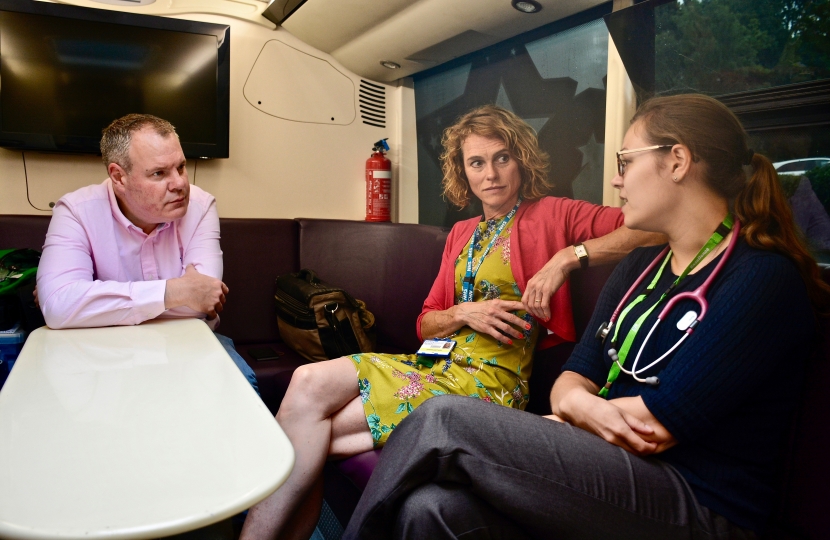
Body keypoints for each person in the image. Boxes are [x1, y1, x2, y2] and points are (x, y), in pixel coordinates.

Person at [340, 94, 830, 540]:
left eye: (625, 161)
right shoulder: (641, 268)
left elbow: (656, 428)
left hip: (698, 501)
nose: (616, 178)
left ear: (677, 161)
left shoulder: (762, 278)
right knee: (430, 509)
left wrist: (574, 413)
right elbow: (573, 378)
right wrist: (573, 407)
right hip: (612, 461)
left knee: (443, 419)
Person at [240, 105, 661, 540]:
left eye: (502, 158)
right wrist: (464, 312)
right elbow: (425, 323)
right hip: (435, 365)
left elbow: (652, 227)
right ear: (464, 172)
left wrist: (568, 258)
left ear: (520, 160)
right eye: (477, 163)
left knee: (309, 434)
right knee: (308, 389)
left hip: (489, 382)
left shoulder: (553, 214)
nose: (491, 174)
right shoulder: (461, 233)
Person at [36, 113, 258, 392]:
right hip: (104, 350)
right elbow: (58, 307)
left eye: (181, 167)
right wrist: (173, 292)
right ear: (119, 177)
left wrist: (92, 303)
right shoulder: (76, 211)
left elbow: (200, 305)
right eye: (159, 173)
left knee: (240, 389)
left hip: (189, 344)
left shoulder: (201, 206)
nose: (179, 183)